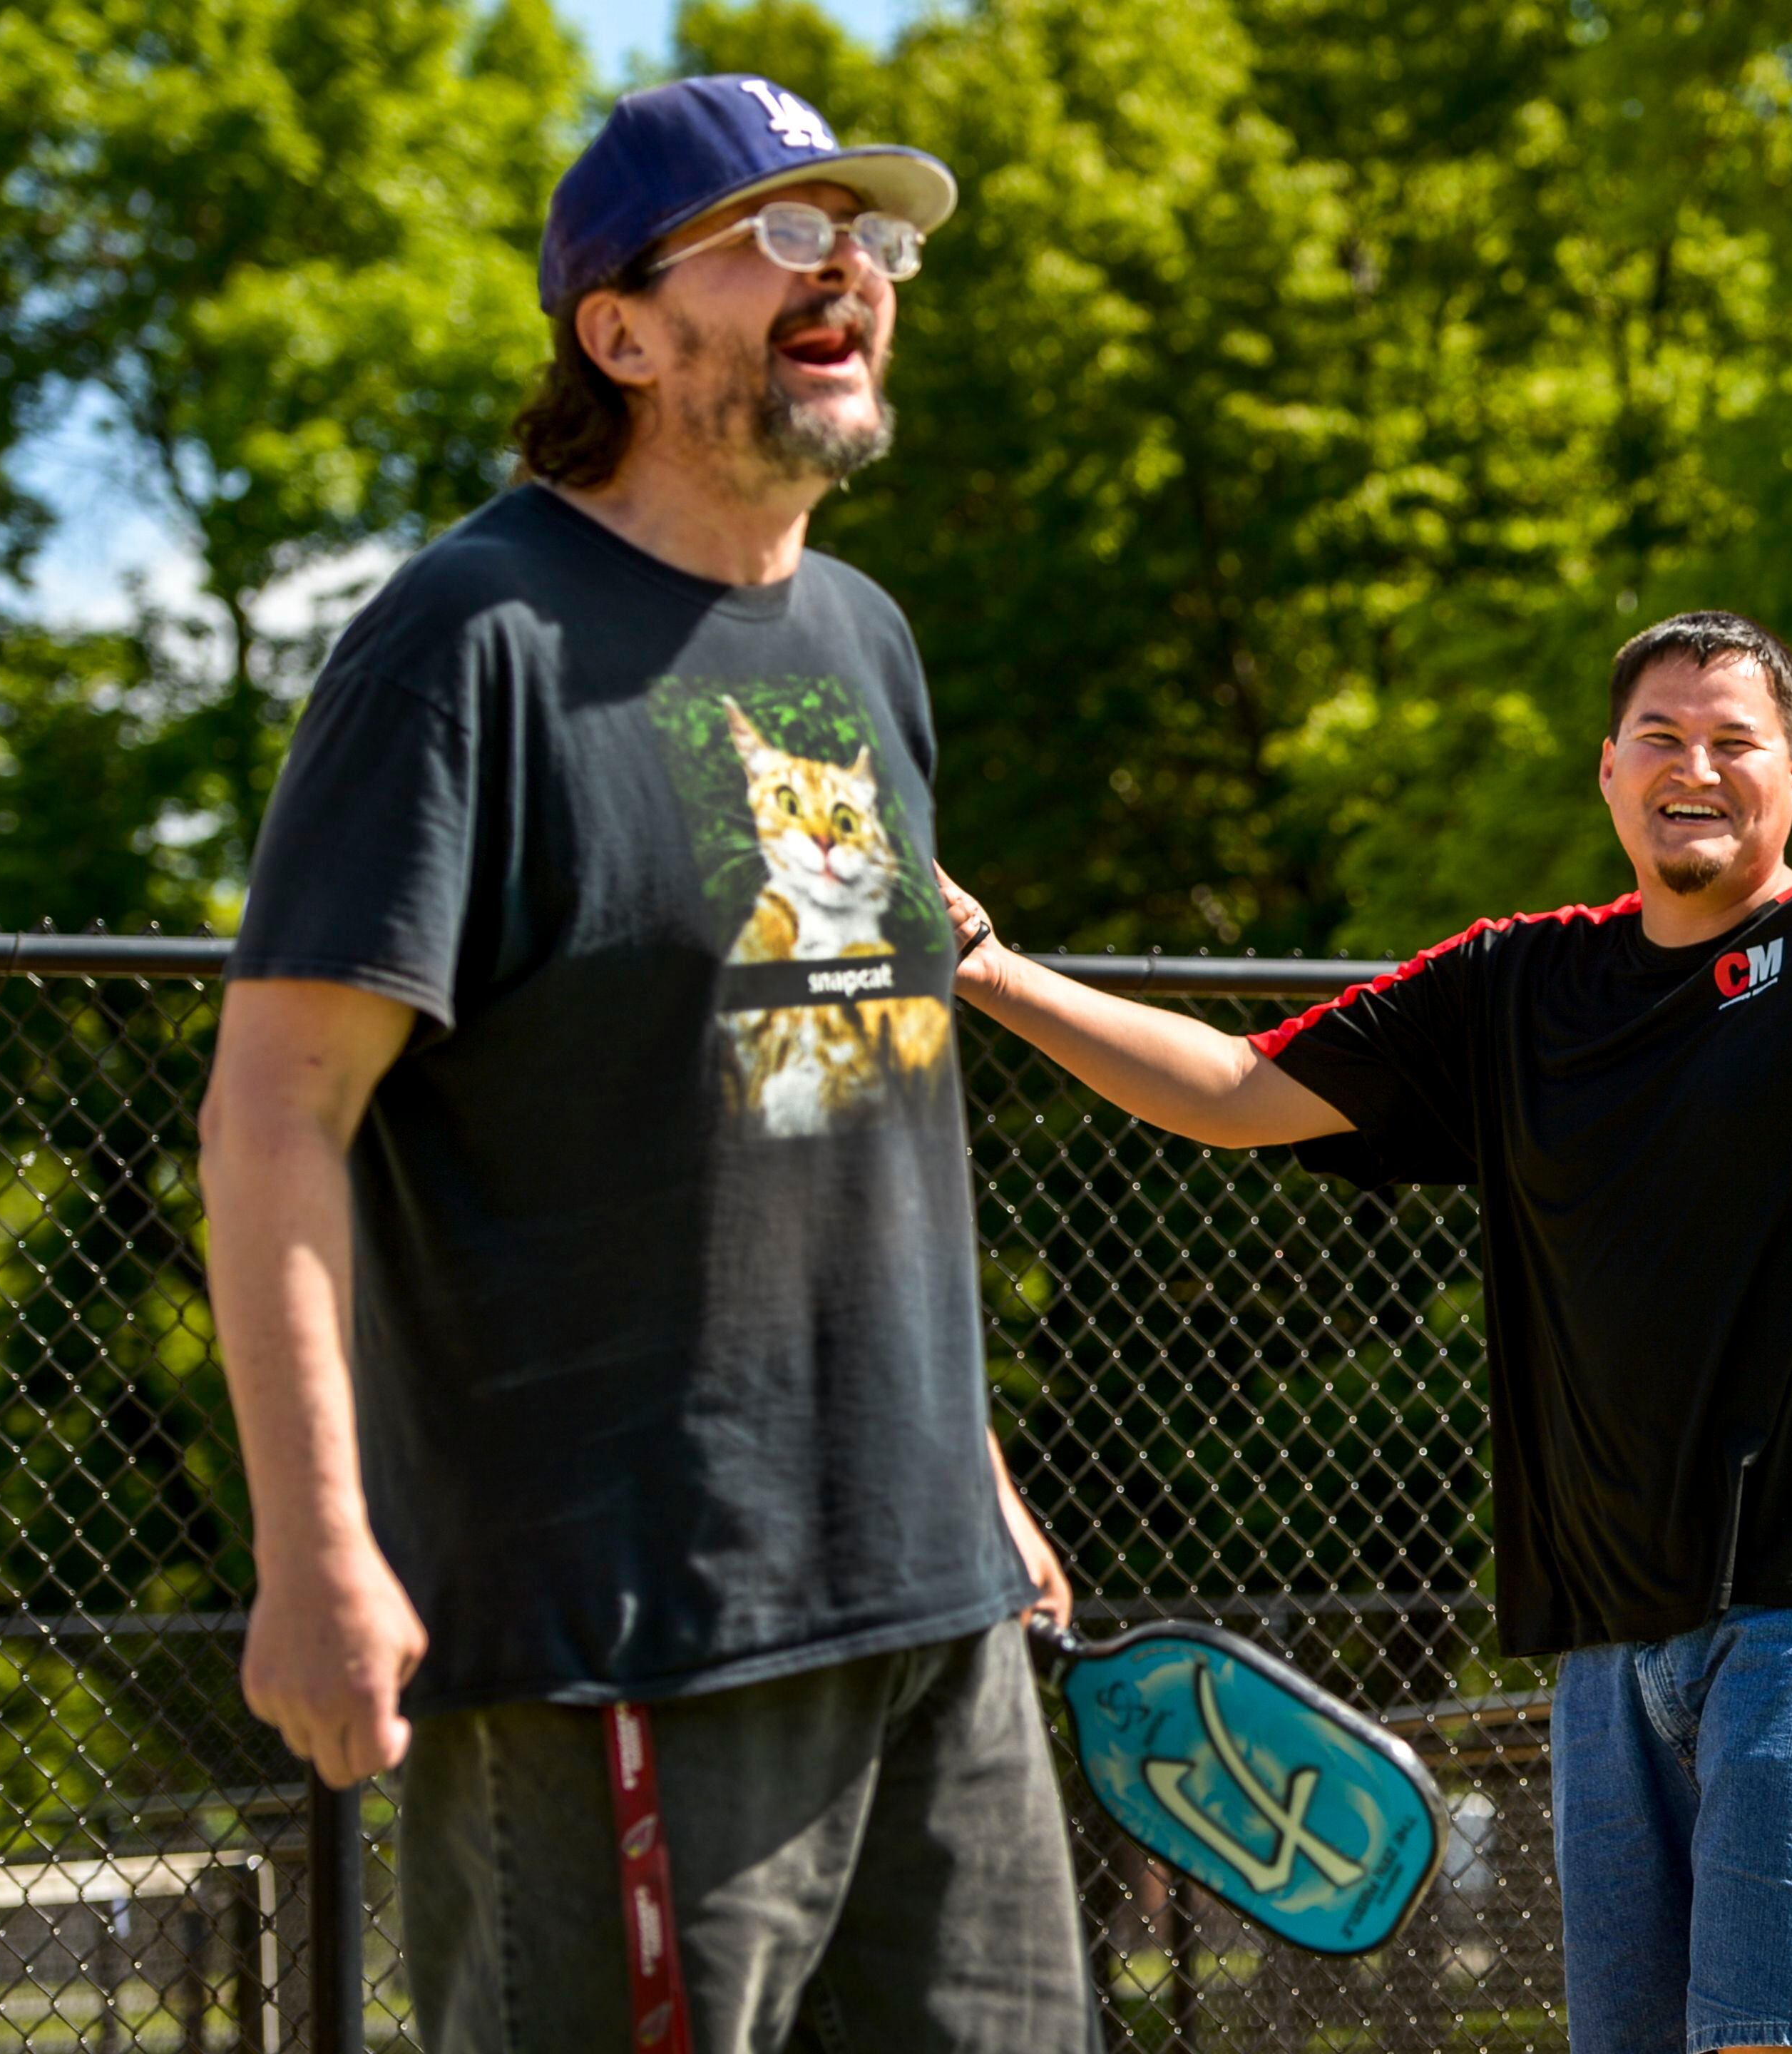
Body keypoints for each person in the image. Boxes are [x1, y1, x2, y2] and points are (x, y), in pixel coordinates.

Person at [939, 481, 1792, 2054]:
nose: (1693, 768)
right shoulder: (1518, 984)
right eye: (1659, 736)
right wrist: (987, 971)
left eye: (1731, 741)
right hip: (1606, 1647)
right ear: (1606, 770)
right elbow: (1237, 1094)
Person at [198, 76, 1097, 2054]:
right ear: (614, 330)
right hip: (623, 1626)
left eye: (872, 238)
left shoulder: (863, 639)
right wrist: (313, 1550)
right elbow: (277, 1111)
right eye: (781, 231)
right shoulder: (465, 642)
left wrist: (974, 1469)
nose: (849, 264)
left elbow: (855, 1098)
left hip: (934, 1611)